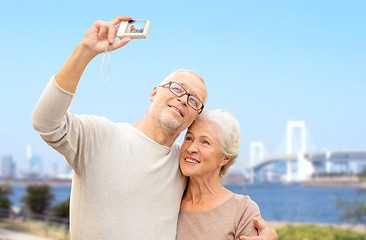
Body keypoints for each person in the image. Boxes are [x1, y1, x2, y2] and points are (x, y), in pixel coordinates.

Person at [32, 15, 277, 240]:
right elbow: (45, 121)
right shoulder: (100, 135)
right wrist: (85, 52)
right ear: (154, 92)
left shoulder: (182, 167)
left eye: (194, 100)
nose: (183, 98)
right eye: (177, 88)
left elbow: (215, 202)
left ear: (193, 118)